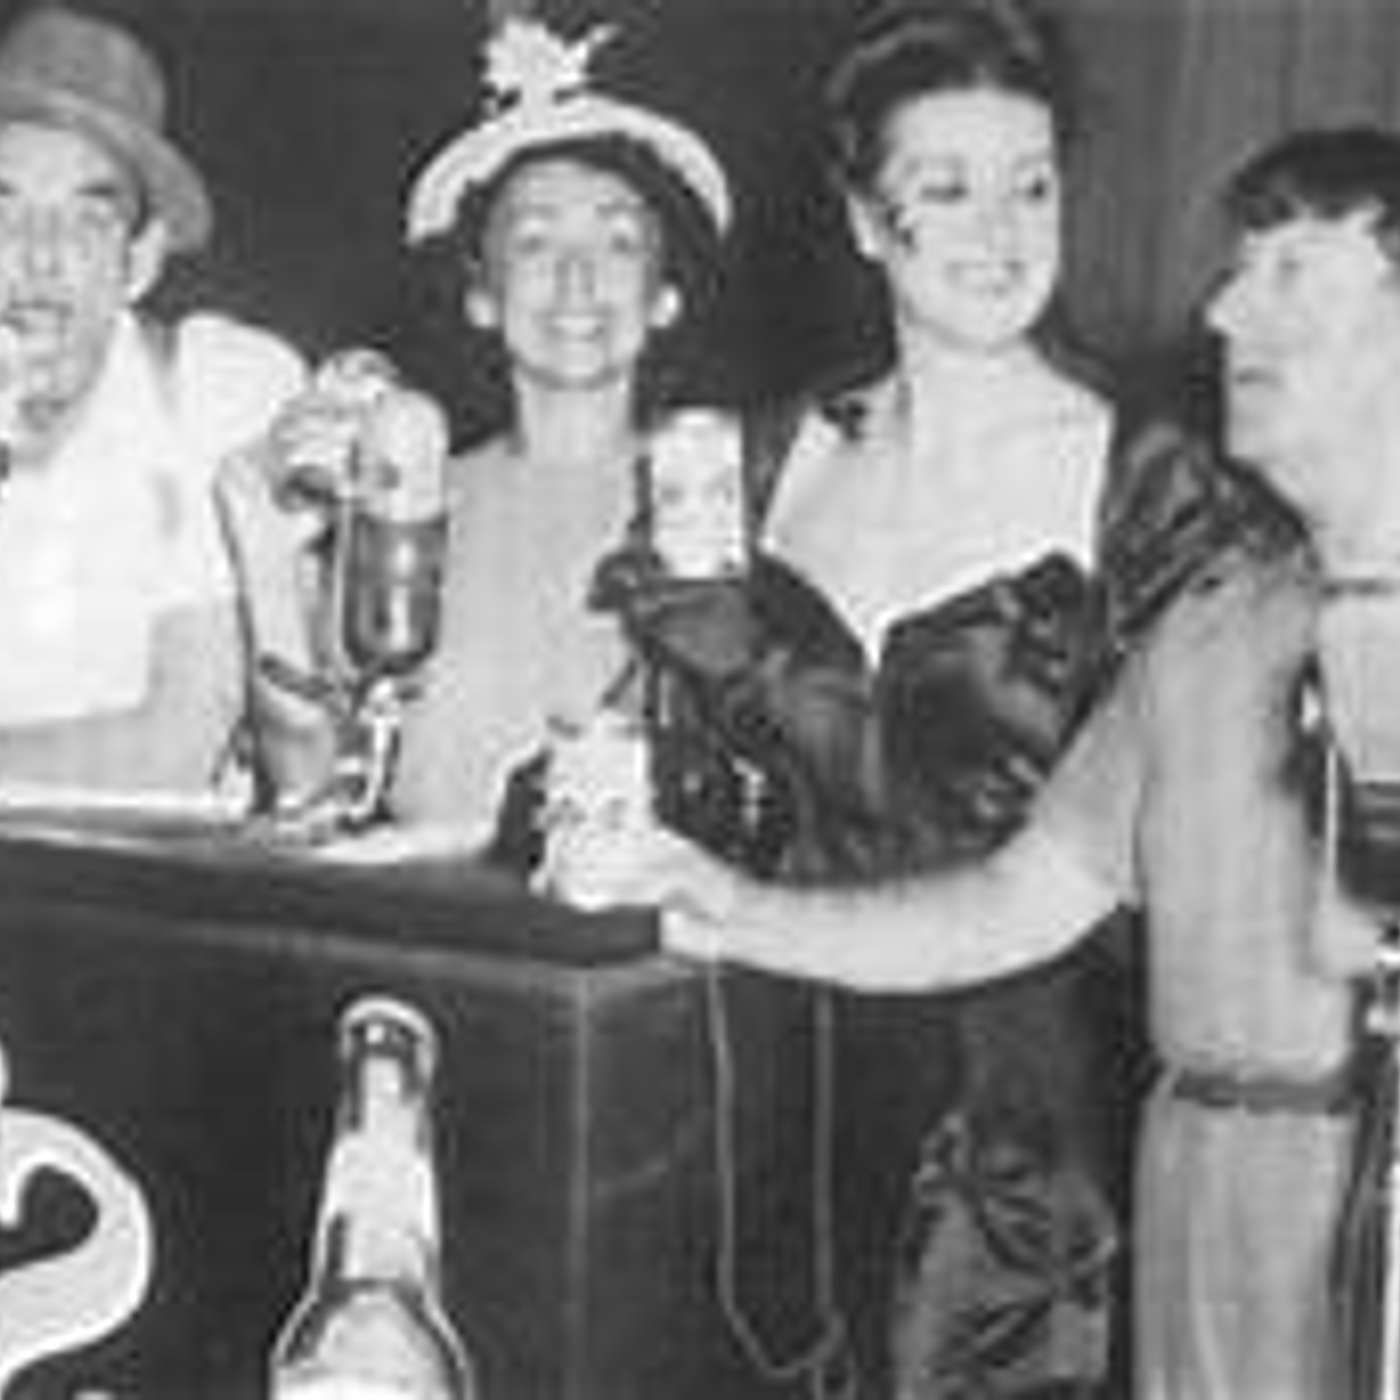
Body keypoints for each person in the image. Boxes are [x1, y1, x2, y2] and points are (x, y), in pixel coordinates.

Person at [630, 125, 1400, 1400]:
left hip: (1368, 1194)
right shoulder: (1213, 622)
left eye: (1287, 274)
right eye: (1234, 271)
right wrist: (735, 912)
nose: (1222, 311)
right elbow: (1016, 897)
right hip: (1195, 1197)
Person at [351, 15, 737, 844]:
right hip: (416, 914)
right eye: (533, 242)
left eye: (618, 241)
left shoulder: (720, 508)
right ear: (480, 295)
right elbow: (324, 774)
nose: (576, 277)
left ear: (666, 296)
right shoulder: (407, 507)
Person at [0, 3, 321, 803]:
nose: (40, 256)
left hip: (152, 879)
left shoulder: (219, 389)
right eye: (4, 210)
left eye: (88, 217)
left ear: (140, 260)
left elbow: (175, 747)